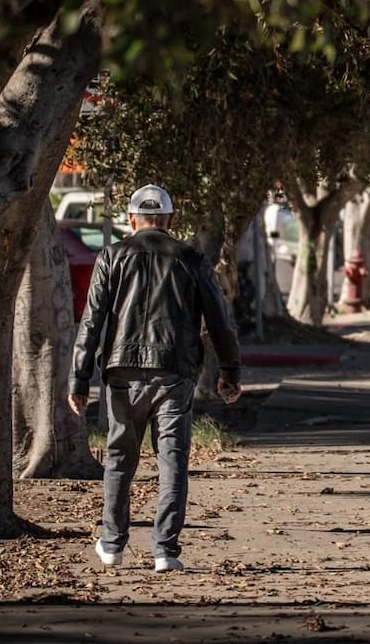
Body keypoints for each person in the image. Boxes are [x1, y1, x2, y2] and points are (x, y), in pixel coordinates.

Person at [68, 184, 242, 573]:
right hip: (174, 373)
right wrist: (230, 372)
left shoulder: (112, 256)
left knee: (118, 459)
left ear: (131, 220)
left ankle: (112, 544)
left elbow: (91, 322)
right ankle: (165, 551)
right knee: (173, 460)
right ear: (170, 220)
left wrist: (78, 380)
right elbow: (220, 322)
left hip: (122, 374)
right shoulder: (192, 259)